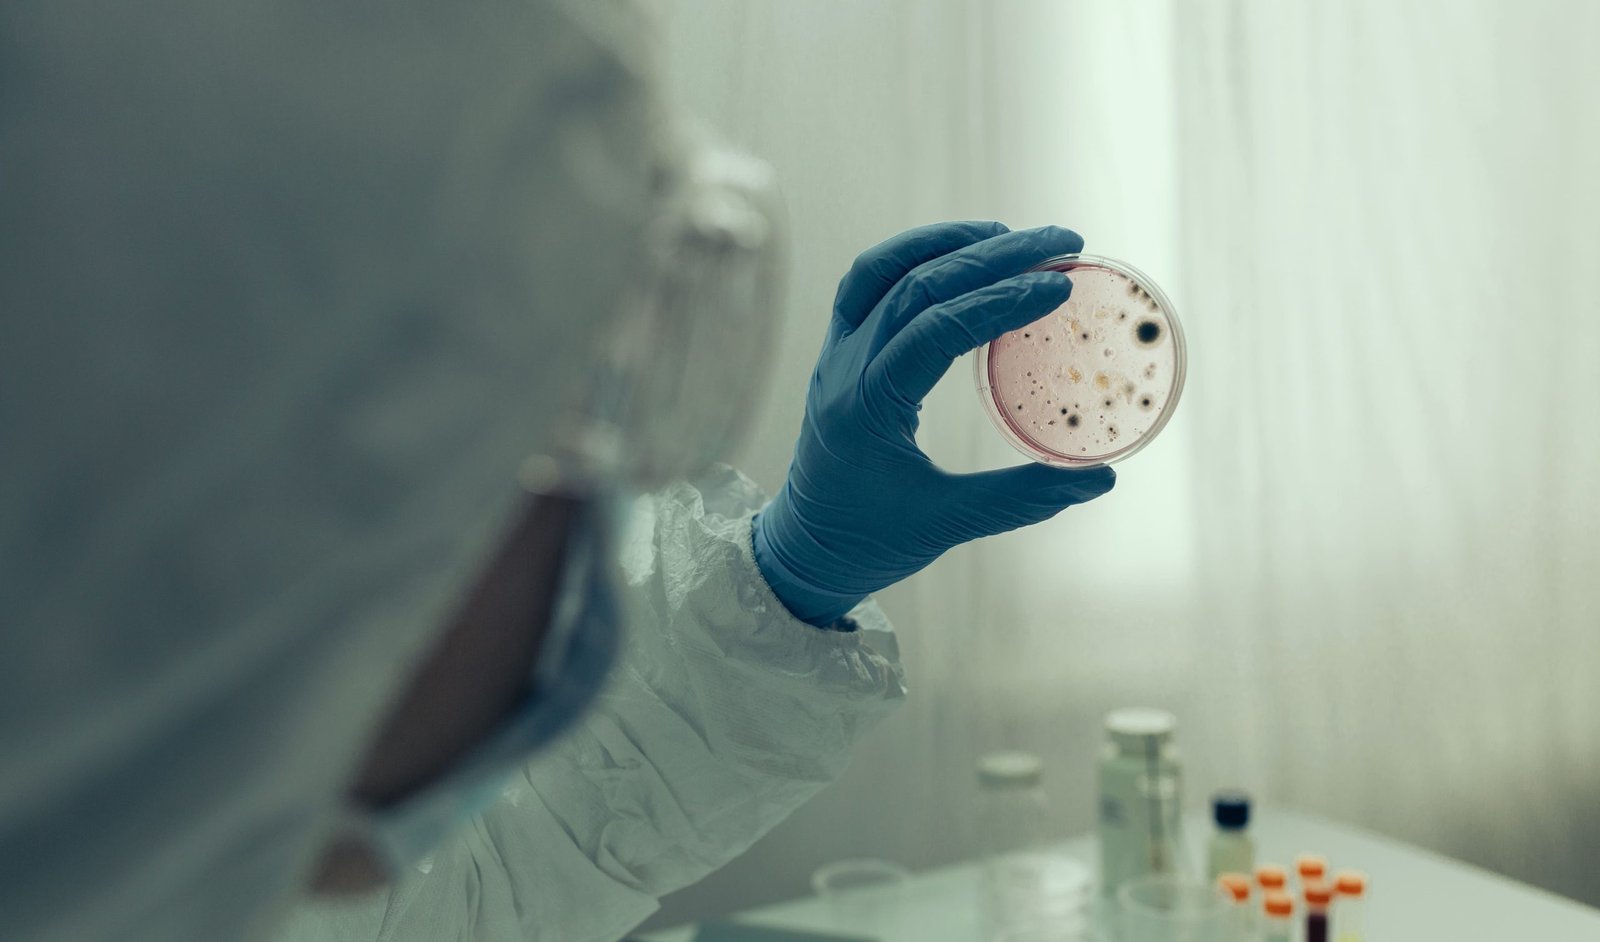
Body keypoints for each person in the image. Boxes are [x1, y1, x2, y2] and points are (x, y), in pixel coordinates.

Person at [0, 3, 1115, 941]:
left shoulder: (143, 853)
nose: (574, 520)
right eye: (550, 418)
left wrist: (790, 582)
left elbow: (472, 900)